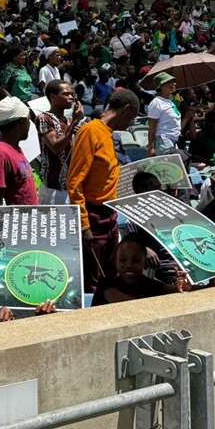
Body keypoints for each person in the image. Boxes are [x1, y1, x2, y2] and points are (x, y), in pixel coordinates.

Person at [67, 88, 140, 292]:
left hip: (109, 215)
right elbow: (74, 181)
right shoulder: (91, 131)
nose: (132, 123)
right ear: (126, 109)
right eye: (133, 117)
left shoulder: (108, 134)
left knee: (110, 277)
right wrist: (84, 225)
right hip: (93, 217)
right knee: (94, 282)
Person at [92, 235, 190, 306]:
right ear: (115, 262)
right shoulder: (105, 285)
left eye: (135, 260)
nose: (128, 265)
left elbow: (185, 289)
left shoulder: (152, 286)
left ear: (145, 262)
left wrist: (181, 285)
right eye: (123, 260)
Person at [0, 97, 39, 210]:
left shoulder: (15, 148)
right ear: (21, 121)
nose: (30, 124)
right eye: (28, 120)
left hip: (28, 220)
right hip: (15, 223)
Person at [37, 79, 84, 204]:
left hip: (70, 185)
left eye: (72, 94)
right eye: (65, 94)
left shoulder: (67, 120)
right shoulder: (44, 119)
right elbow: (55, 147)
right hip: (53, 189)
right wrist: (74, 122)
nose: (70, 97)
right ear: (53, 97)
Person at [146, 71, 180, 156]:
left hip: (173, 141)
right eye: (169, 83)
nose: (173, 84)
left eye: (173, 82)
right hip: (163, 142)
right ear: (161, 86)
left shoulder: (171, 102)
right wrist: (151, 147)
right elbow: (152, 128)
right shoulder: (156, 102)